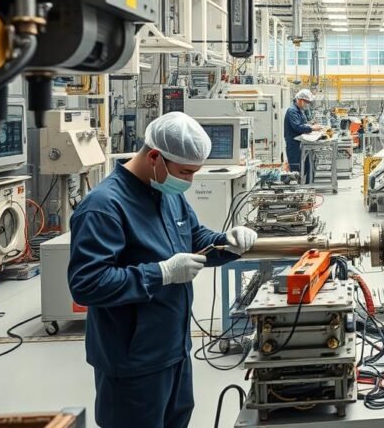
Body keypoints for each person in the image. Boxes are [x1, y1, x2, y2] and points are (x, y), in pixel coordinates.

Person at [68, 112, 259, 428]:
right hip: (133, 361)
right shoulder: (104, 207)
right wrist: (162, 274)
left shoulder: (167, 196)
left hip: (175, 350)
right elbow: (87, 284)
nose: (189, 181)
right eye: (185, 172)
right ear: (155, 157)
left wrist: (227, 243)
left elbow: (195, 238)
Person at [284, 88, 323, 173]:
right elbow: (298, 127)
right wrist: (312, 128)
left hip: (300, 142)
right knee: (296, 168)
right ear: (301, 100)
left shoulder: (299, 111)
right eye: (306, 102)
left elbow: (303, 124)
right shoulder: (292, 111)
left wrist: (311, 125)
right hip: (294, 144)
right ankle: (298, 184)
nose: (307, 105)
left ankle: (306, 184)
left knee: (305, 166)